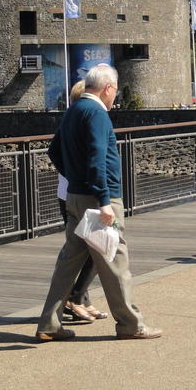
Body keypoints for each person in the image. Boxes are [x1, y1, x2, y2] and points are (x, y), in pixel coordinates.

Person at [36, 64, 161, 342]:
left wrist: (76, 178)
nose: (114, 97)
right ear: (108, 88)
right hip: (98, 199)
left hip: (76, 197)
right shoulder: (97, 114)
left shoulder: (74, 110)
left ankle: (49, 323)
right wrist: (104, 200)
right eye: (114, 91)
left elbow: (54, 151)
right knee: (115, 261)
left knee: (68, 262)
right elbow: (97, 158)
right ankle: (131, 324)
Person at [56, 80, 109, 323]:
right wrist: (77, 176)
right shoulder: (88, 116)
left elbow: (54, 150)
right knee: (95, 250)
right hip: (81, 194)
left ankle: (80, 301)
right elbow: (96, 159)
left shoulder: (73, 117)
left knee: (84, 250)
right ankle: (76, 299)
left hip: (70, 193)